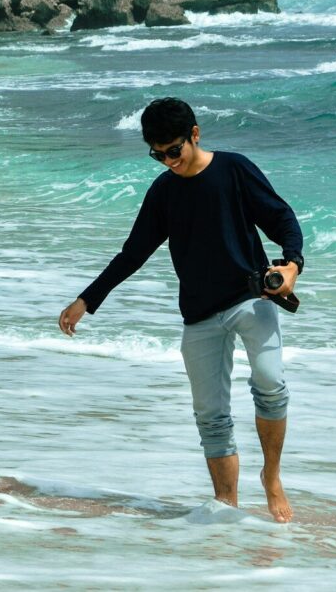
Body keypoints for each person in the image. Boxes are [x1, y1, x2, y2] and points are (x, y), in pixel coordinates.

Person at [58, 98, 304, 523]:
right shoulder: (164, 192)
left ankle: (272, 476)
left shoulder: (233, 170)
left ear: (195, 134)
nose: (168, 161)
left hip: (252, 298)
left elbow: (282, 218)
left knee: (270, 382)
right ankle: (227, 505)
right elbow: (132, 253)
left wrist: (292, 264)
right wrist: (87, 300)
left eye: (174, 150)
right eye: (157, 155)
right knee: (211, 415)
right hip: (200, 314)